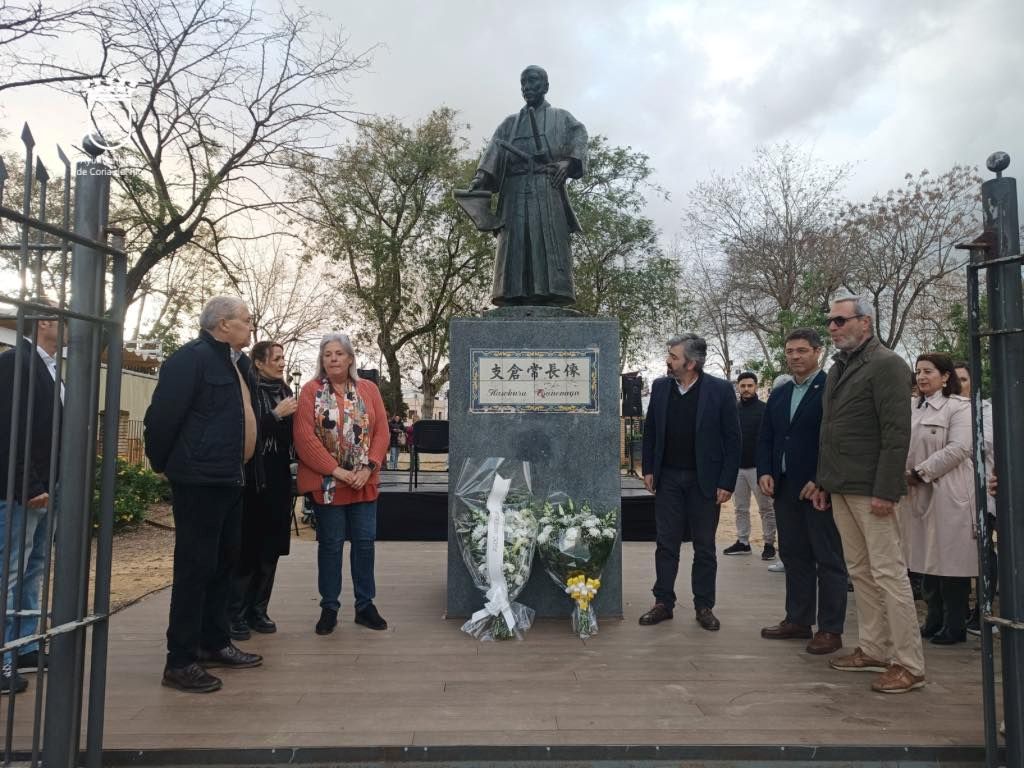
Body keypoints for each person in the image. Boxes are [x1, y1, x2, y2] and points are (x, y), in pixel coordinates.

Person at [145, 296, 263, 694]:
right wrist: (167, 466)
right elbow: (161, 419)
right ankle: (179, 660)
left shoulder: (239, 365)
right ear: (222, 324)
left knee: (224, 564)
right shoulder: (190, 359)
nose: (251, 327)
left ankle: (214, 642)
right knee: (195, 569)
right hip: (199, 482)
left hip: (231, 480)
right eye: (246, 321)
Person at [813, 294, 923, 694]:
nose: (833, 328)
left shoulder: (888, 365)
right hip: (842, 487)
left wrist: (886, 490)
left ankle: (909, 663)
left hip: (872, 490)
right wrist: (825, 482)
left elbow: (897, 434)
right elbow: (831, 430)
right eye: (830, 322)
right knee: (860, 572)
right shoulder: (840, 367)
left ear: (866, 322)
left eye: (840, 321)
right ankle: (874, 649)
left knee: (889, 573)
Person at [639, 333, 741, 631]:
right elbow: (651, 432)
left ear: (691, 363)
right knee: (666, 543)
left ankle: (704, 605)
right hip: (668, 477)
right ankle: (663, 602)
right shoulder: (660, 387)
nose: (668, 361)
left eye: (673, 356)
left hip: (705, 480)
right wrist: (648, 468)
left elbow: (732, 440)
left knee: (705, 546)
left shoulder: (720, 390)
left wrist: (727, 481)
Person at [466, 65, 588, 306]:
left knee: (549, 242)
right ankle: (512, 294)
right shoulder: (510, 124)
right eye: (523, 83)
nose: (527, 87)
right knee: (515, 242)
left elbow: (579, 137)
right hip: (514, 191)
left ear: (545, 86)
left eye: (532, 82)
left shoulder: (562, 118)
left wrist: (566, 163)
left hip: (547, 186)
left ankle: (553, 293)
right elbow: (495, 150)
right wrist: (481, 178)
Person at [757, 328, 847, 655]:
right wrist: (766, 470)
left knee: (828, 559)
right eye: (790, 351)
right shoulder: (780, 394)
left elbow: (836, 440)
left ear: (817, 352)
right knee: (794, 555)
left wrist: (821, 477)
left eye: (802, 351)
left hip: (818, 489)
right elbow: (767, 435)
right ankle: (797, 619)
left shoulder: (830, 390)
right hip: (783, 487)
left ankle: (830, 629)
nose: (795, 357)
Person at [293, 333, 389, 636]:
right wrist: (337, 471)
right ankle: (329, 608)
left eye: (338, 353)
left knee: (364, 544)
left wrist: (368, 466)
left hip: (363, 481)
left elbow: (382, 432)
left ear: (350, 358)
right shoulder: (310, 391)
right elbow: (304, 439)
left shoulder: (369, 389)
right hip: (328, 483)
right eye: (327, 354)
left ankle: (365, 605)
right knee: (331, 546)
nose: (333, 358)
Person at [0, 303, 62, 694]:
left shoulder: (48, 365)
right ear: (43, 323)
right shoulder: (15, 363)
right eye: (63, 320)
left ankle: (23, 645)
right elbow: (9, 428)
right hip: (21, 493)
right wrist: (28, 485)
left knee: (34, 567)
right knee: (8, 572)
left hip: (46, 489)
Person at [903, 354, 977, 645]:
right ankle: (933, 618)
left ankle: (954, 623)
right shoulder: (912, 408)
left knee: (952, 563)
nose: (921, 377)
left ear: (946, 376)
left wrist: (921, 472)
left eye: (928, 371)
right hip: (916, 492)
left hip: (949, 490)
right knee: (925, 560)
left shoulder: (959, 408)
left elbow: (959, 448)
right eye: (918, 371)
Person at [228, 341, 298, 641]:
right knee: (247, 548)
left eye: (283, 358)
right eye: (277, 358)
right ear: (258, 362)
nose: (282, 363)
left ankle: (259, 609)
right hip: (253, 481)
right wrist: (276, 416)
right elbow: (244, 432)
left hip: (279, 481)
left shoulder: (285, 392)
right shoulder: (246, 391)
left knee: (271, 548)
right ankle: (236, 614)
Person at [953, 361, 996, 635]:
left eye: (964, 380)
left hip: (983, 492)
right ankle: (958, 614)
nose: (958, 386)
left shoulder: (985, 410)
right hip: (953, 495)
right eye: (954, 380)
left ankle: (986, 609)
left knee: (984, 552)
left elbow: (980, 444)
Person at [724, 372, 776, 560]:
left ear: (755, 387)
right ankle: (743, 542)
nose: (746, 389)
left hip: (759, 469)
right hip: (737, 469)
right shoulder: (732, 410)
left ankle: (769, 544)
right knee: (740, 508)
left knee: (766, 508)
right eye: (743, 386)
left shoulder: (765, 410)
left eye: (750, 386)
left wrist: (768, 469)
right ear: (738, 387)